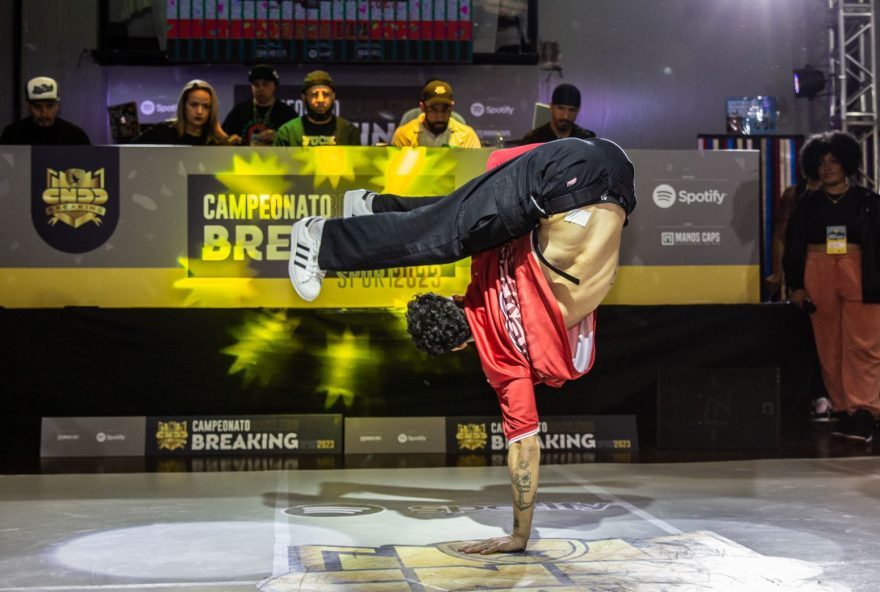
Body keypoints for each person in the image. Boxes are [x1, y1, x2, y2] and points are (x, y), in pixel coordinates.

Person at [288, 137, 636, 553]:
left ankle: (322, 239)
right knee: (458, 218)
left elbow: (525, 447)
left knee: (448, 233)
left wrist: (519, 536)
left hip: (613, 185)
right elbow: (463, 206)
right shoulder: (484, 271)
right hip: (596, 153)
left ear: (458, 348)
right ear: (454, 301)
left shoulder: (506, 356)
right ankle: (373, 207)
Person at [783, 131, 880, 443]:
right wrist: (796, 286)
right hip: (817, 270)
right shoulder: (806, 204)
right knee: (829, 345)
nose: (828, 168)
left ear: (847, 164)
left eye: (834, 162)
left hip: (859, 270)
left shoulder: (868, 200)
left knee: (864, 344)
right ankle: (843, 409)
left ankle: (865, 411)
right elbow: (793, 248)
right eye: (822, 163)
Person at [273, 70, 361, 147]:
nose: (320, 100)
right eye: (314, 95)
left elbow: (357, 164)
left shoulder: (349, 131)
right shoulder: (288, 132)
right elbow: (275, 164)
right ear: (304, 98)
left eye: (326, 94)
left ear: (333, 97)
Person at [135, 79, 232, 145]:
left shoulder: (217, 141)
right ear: (183, 106)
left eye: (206, 106)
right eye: (194, 105)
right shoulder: (162, 132)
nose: (199, 111)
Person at [391, 80, 481, 148]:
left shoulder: (467, 135)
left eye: (445, 110)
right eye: (433, 110)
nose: (440, 117)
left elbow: (477, 170)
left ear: (452, 107)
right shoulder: (404, 135)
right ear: (422, 107)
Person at [1, 77, 90, 145]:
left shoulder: (75, 136)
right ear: (28, 106)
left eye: (50, 106)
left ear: (58, 106)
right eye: (37, 107)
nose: (44, 114)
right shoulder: (12, 135)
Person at [222, 65, 297, 146]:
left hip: (277, 158)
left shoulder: (287, 113)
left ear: (274, 86)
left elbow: (298, 143)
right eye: (256, 85)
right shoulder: (239, 110)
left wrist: (278, 138)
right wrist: (230, 140)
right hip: (245, 158)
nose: (260, 89)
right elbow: (223, 139)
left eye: (265, 84)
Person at [520, 83, 596, 144]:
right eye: (561, 108)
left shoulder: (586, 141)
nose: (565, 116)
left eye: (571, 110)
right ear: (551, 107)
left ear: (578, 111)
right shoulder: (534, 139)